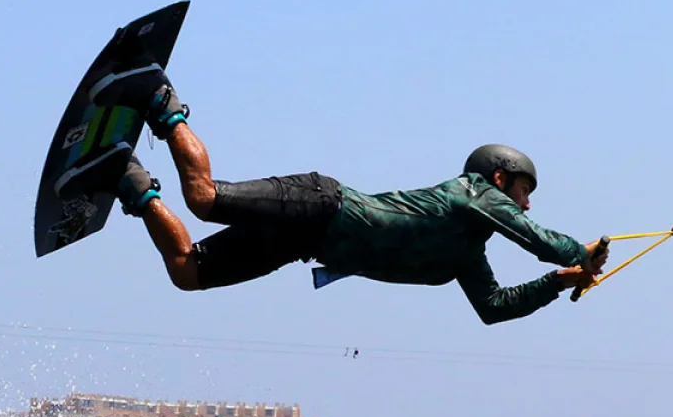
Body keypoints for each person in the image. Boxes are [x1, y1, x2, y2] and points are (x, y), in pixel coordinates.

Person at [57, 49, 611, 325]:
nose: (527, 202)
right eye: (523, 189)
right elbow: (534, 236)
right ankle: (158, 98)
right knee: (204, 199)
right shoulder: (474, 193)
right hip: (321, 204)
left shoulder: (467, 254)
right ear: (499, 178)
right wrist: (577, 253)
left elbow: (493, 307)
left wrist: (559, 281)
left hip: (303, 243)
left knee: (188, 273)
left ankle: (128, 179)